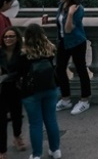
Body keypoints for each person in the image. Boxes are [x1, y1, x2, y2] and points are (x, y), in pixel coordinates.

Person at [14, 23, 61, 159]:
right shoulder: (50, 49)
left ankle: (36, 154)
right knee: (51, 120)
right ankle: (55, 150)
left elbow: (19, 72)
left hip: (30, 91)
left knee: (35, 124)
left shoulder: (23, 53)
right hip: (50, 87)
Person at [43, 0, 90, 116]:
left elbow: (69, 29)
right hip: (63, 42)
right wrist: (51, 21)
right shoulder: (61, 6)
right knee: (59, 69)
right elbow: (61, 22)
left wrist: (70, 14)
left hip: (77, 42)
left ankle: (85, 100)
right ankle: (65, 98)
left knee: (81, 70)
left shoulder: (78, 9)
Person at [0, 27, 27, 157]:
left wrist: (8, 77)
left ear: (17, 38)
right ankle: (2, 150)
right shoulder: (0, 53)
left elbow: (24, 72)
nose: (8, 39)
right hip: (1, 90)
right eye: (6, 37)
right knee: (1, 121)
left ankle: (17, 136)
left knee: (17, 117)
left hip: (15, 88)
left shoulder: (22, 54)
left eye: (11, 36)